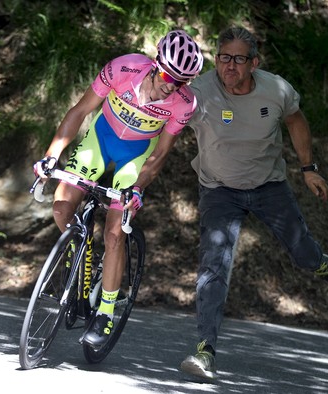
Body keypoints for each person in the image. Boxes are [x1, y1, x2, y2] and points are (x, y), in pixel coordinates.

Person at [179, 26, 328, 380]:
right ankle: (205, 349)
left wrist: (309, 168)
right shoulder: (198, 92)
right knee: (214, 265)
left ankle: (317, 262)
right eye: (224, 58)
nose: (229, 67)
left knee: (301, 250)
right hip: (219, 189)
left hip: (269, 185)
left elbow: (296, 121)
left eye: (239, 59)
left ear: (254, 63)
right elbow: (165, 123)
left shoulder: (276, 90)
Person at [33, 30, 203, 348]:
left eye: (180, 82)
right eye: (168, 75)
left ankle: (107, 313)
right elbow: (80, 111)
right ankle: (78, 253)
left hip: (135, 159)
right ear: (155, 64)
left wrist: (137, 188)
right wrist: (51, 155)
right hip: (100, 141)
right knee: (61, 207)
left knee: (114, 233)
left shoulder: (183, 104)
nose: (171, 84)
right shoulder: (123, 68)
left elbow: (160, 154)